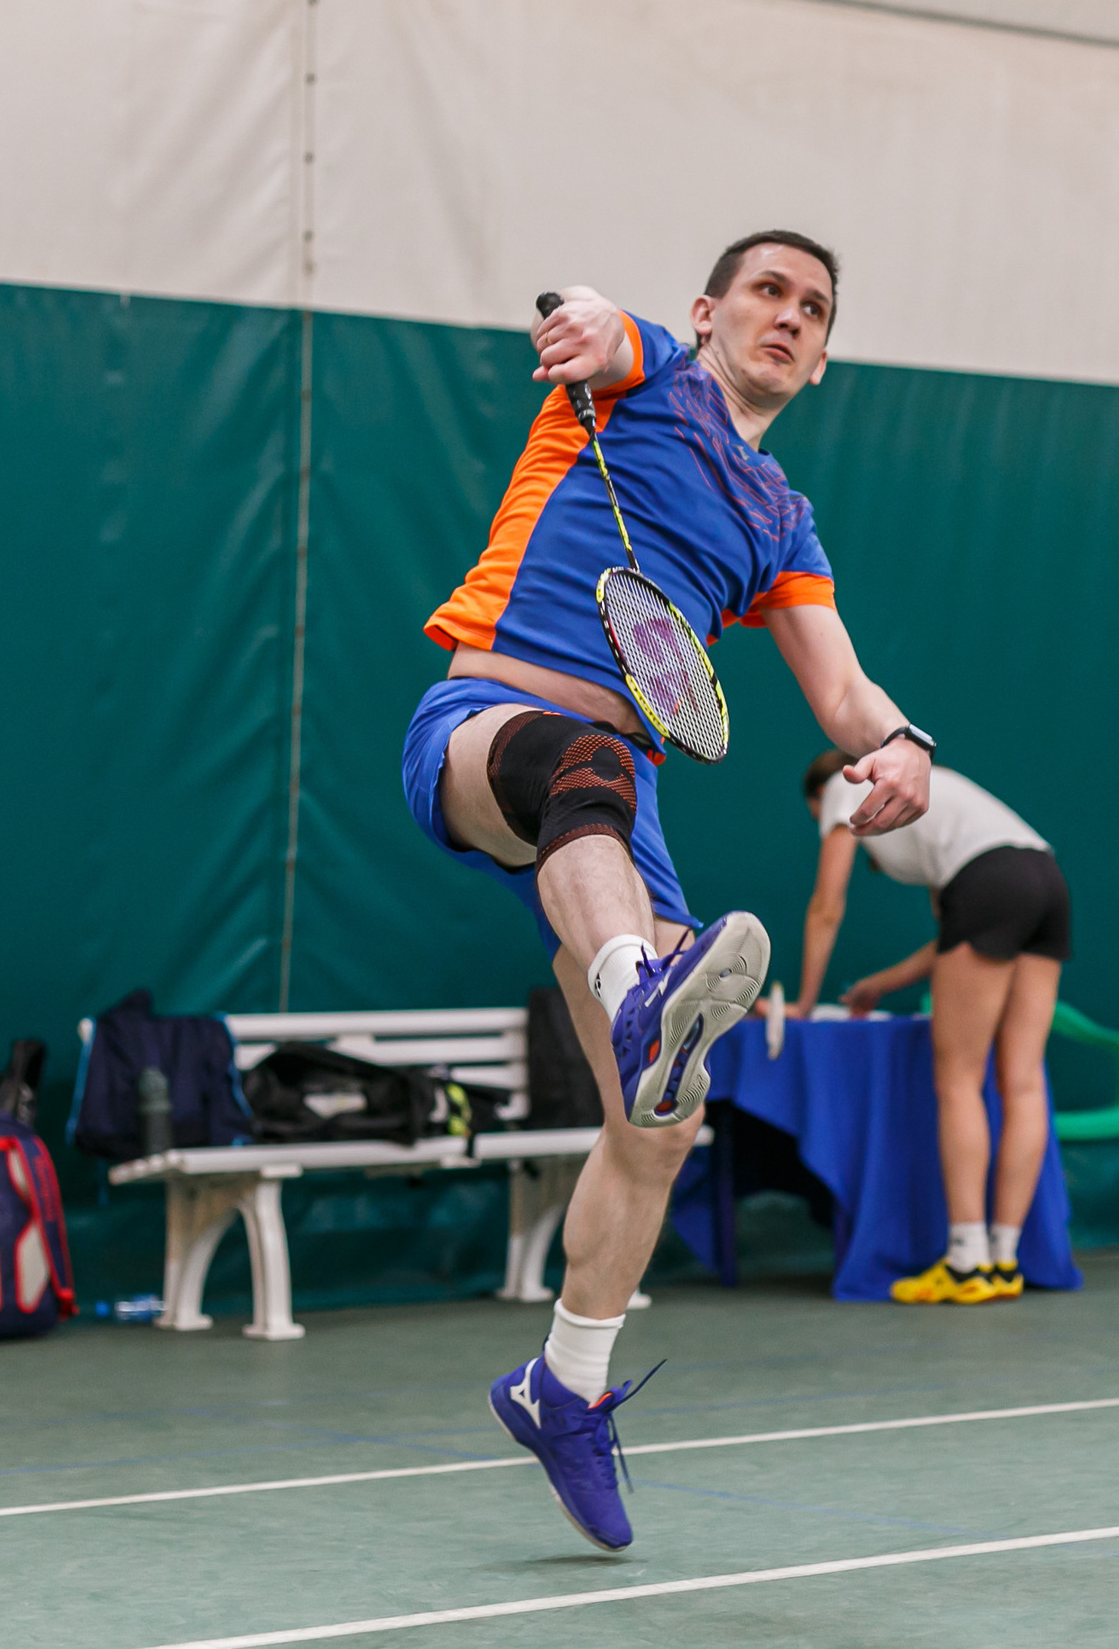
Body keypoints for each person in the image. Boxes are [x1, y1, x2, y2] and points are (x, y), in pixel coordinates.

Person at [402, 232, 937, 1550]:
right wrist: (593, 319)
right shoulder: (637, 376)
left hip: (616, 813)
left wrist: (905, 743)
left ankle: (563, 1385)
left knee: (662, 1122)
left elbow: (844, 692)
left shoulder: (781, 519)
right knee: (582, 766)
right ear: (710, 310)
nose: (791, 317)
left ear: (820, 357)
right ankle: (640, 989)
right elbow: (607, 324)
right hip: (487, 720)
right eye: (769, 292)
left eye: (815, 310)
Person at [790, 749, 1071, 1304]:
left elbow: (826, 907)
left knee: (958, 1080)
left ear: (819, 798)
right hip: (1046, 879)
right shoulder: (931, 798)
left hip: (990, 883)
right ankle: (1004, 1260)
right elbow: (957, 934)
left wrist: (802, 1004)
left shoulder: (846, 792)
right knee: (1023, 1080)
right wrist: (882, 983)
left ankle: (967, 1261)